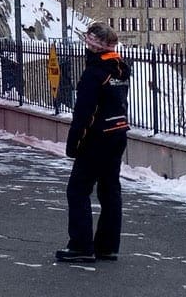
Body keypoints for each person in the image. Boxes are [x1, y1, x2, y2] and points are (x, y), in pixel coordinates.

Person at [56, 21, 131, 263]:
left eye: (87, 43)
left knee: (77, 190)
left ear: (93, 46)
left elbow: (84, 114)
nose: (85, 47)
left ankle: (80, 246)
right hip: (118, 133)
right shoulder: (120, 69)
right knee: (110, 190)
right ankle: (108, 246)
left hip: (96, 137)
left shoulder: (94, 74)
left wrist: (74, 144)